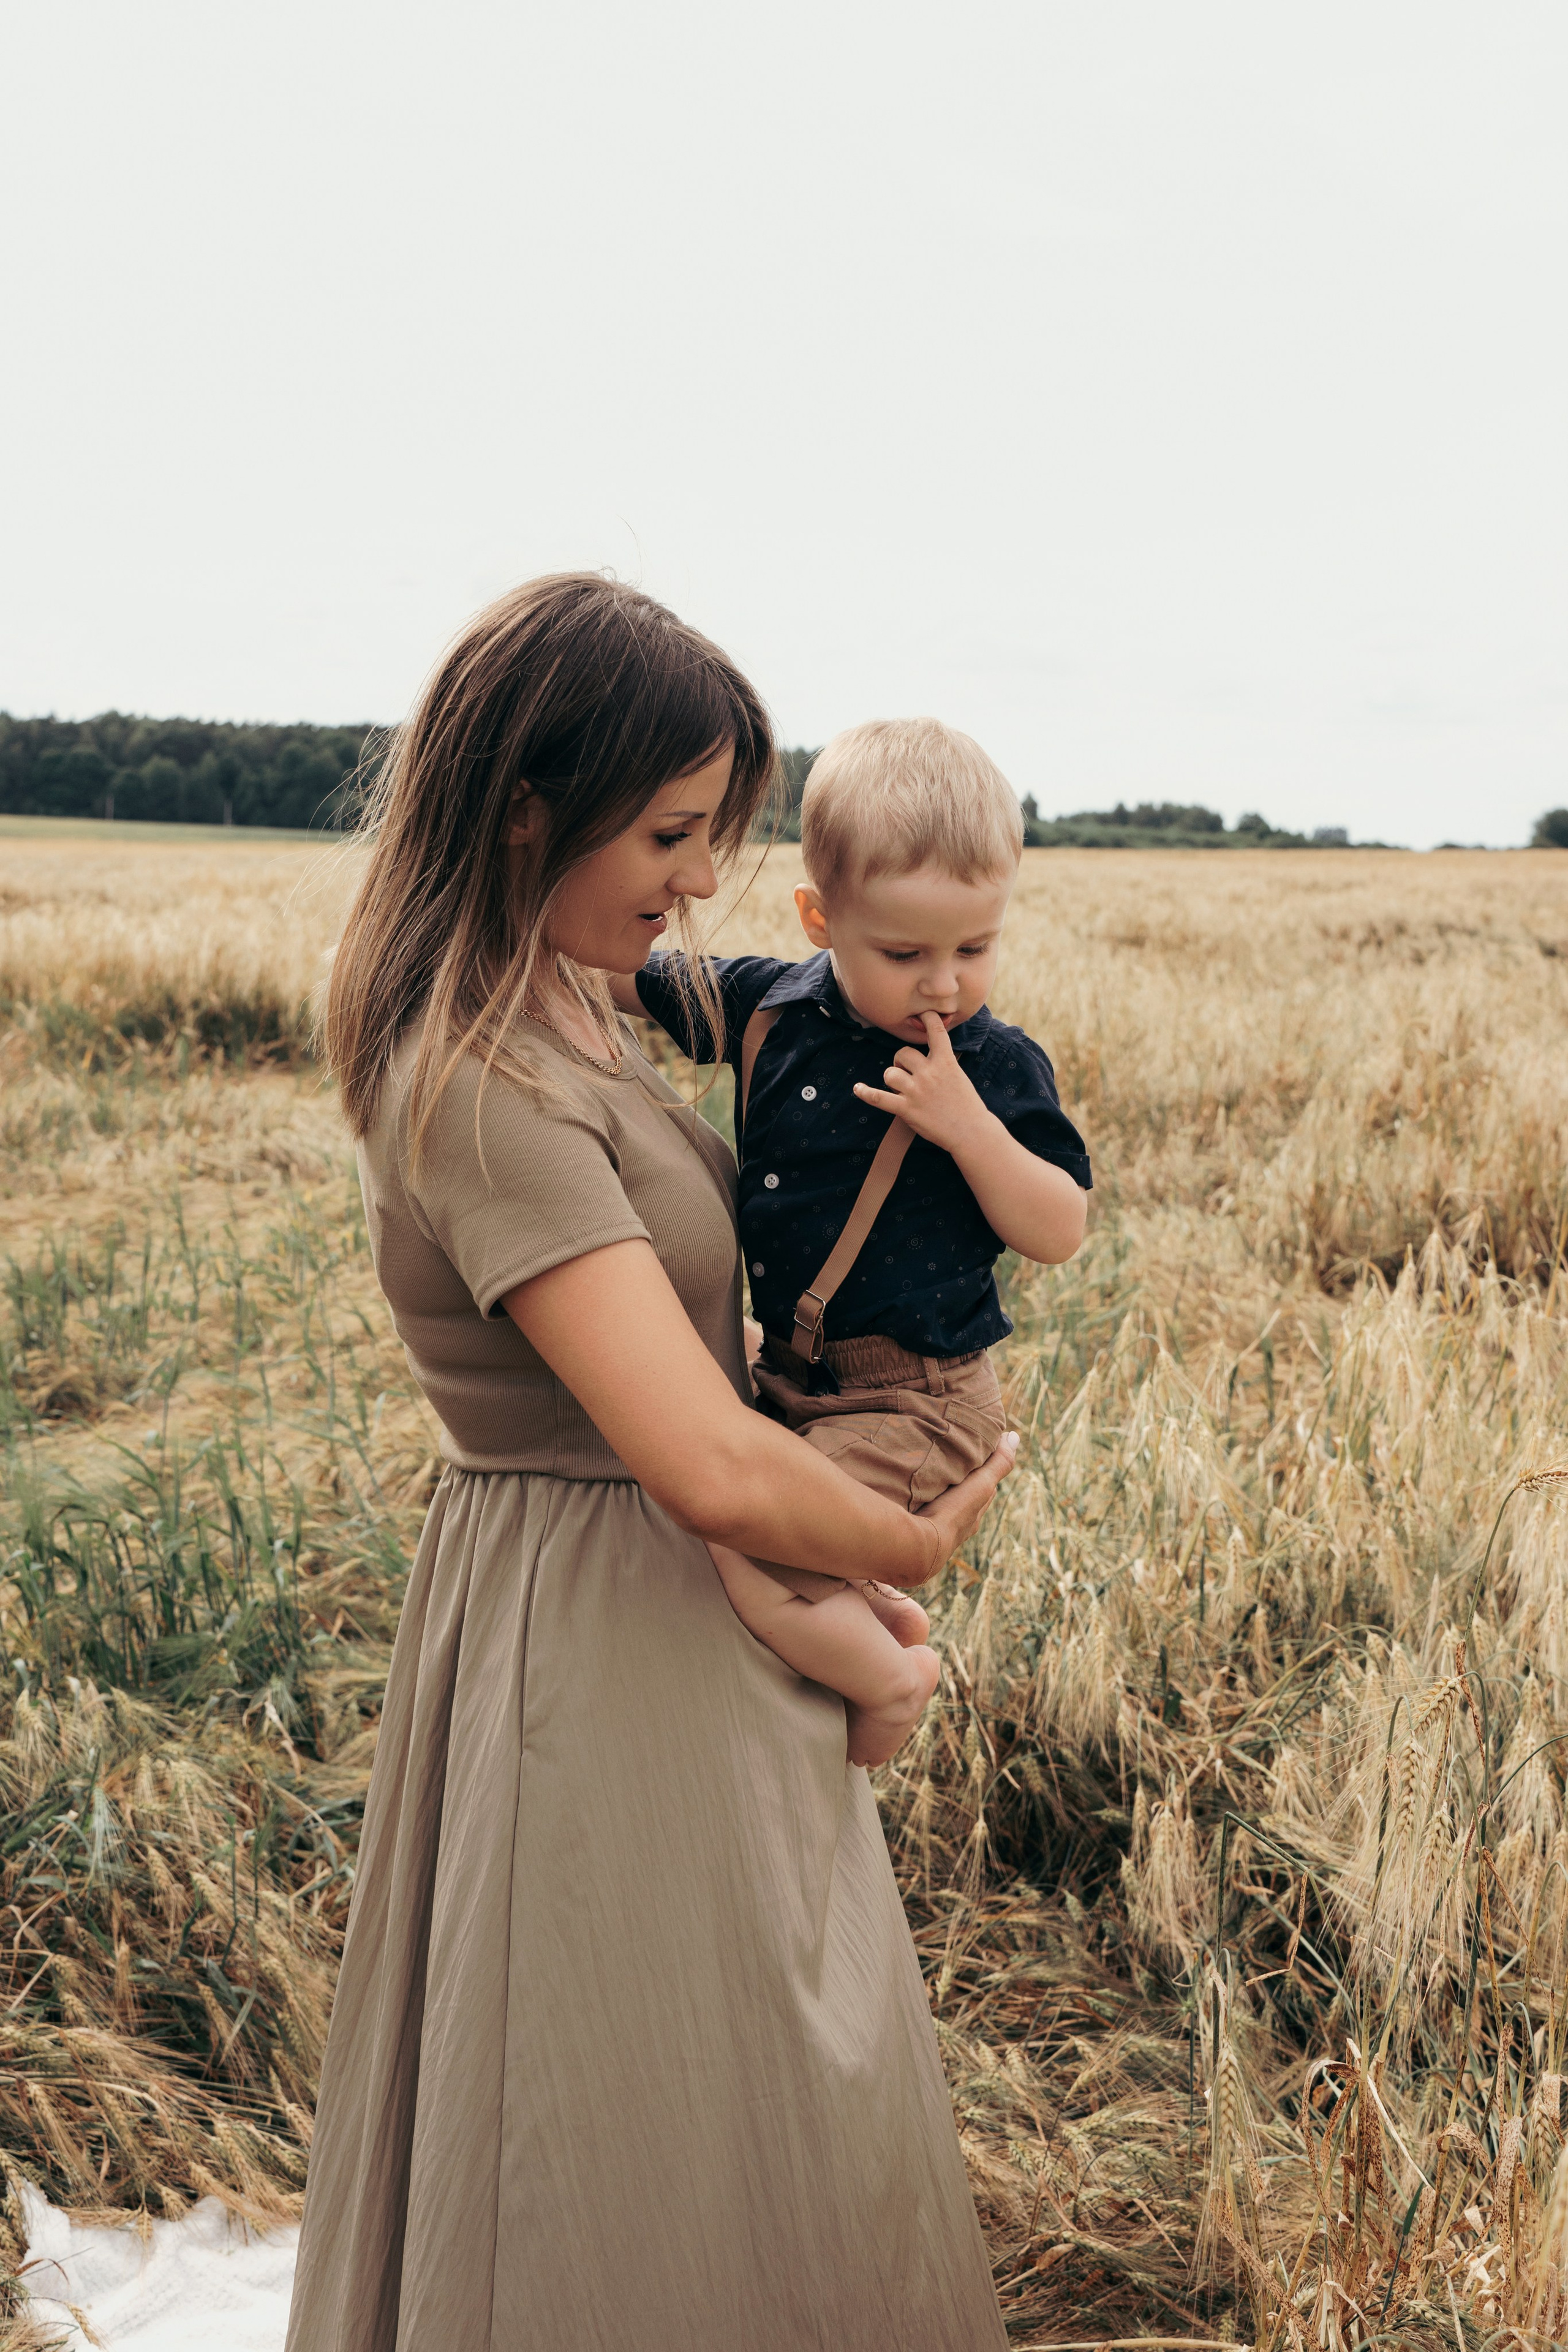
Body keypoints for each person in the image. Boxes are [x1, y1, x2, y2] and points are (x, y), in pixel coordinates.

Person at [284, 578, 1017, 2352]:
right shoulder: (479, 1085)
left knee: (751, 2091)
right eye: (674, 831)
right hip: (595, 1649)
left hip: (680, 1626)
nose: (704, 878)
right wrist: (902, 1550)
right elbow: (697, 1460)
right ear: (528, 806)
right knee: (613, 2129)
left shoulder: (587, 1010)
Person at [620, 718, 1091, 1766]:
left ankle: (888, 1673)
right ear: (820, 918)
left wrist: (969, 1129)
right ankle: (857, 1620)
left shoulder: (995, 1064)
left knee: (749, 1545)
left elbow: (1059, 1228)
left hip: (916, 1399)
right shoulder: (770, 1009)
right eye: (905, 952)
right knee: (707, 1534)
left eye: (976, 948)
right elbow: (621, 978)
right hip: (786, 1373)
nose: (945, 985)